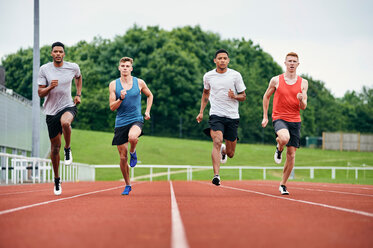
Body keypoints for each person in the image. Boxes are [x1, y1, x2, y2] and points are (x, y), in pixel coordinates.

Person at [196, 49, 246, 186]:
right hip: (216, 114)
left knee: (230, 153)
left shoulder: (235, 76)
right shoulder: (208, 76)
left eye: (225, 58)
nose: (222, 60)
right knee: (217, 141)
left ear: (228, 60)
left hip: (232, 116)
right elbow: (205, 94)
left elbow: (243, 96)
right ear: (215, 61)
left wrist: (234, 96)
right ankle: (216, 175)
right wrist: (201, 112)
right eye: (220, 58)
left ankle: (224, 151)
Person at [38, 41, 82, 196]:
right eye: (55, 51)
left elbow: (79, 77)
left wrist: (78, 94)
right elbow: (40, 93)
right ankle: (57, 179)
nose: (58, 54)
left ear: (64, 54)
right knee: (54, 148)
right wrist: (50, 87)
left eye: (60, 51)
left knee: (66, 122)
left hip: (68, 106)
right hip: (50, 112)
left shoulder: (72, 67)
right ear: (51, 53)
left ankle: (68, 148)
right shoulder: (44, 69)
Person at [261, 52, 308, 195]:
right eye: (290, 61)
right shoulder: (276, 80)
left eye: (294, 61)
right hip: (279, 117)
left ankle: (283, 184)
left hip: (295, 120)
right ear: (285, 63)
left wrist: (301, 99)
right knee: (284, 138)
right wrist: (265, 116)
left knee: (292, 155)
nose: (292, 63)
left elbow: (304, 106)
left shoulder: (303, 82)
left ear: (298, 64)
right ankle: (279, 147)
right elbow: (266, 96)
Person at [109, 57, 153, 195]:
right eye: (122, 66)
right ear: (119, 68)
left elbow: (150, 95)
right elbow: (111, 107)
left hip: (136, 119)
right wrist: (120, 98)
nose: (125, 68)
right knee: (123, 158)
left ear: (131, 68)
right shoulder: (113, 85)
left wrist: (147, 111)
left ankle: (133, 152)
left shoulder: (139, 82)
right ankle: (127, 184)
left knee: (133, 137)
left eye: (127, 66)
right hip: (121, 122)